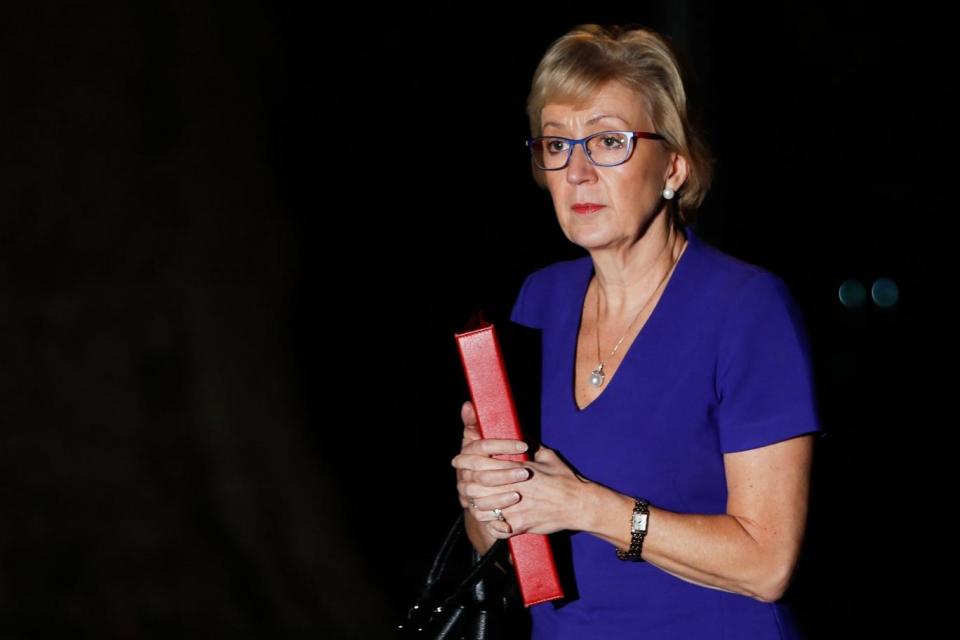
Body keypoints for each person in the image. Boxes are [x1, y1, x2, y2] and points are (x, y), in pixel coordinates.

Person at [450, 23, 823, 639]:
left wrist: (589, 507)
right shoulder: (539, 299)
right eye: (557, 144)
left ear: (674, 166)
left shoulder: (747, 308)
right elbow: (501, 542)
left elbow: (767, 564)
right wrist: (486, 498)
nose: (577, 171)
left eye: (608, 141)